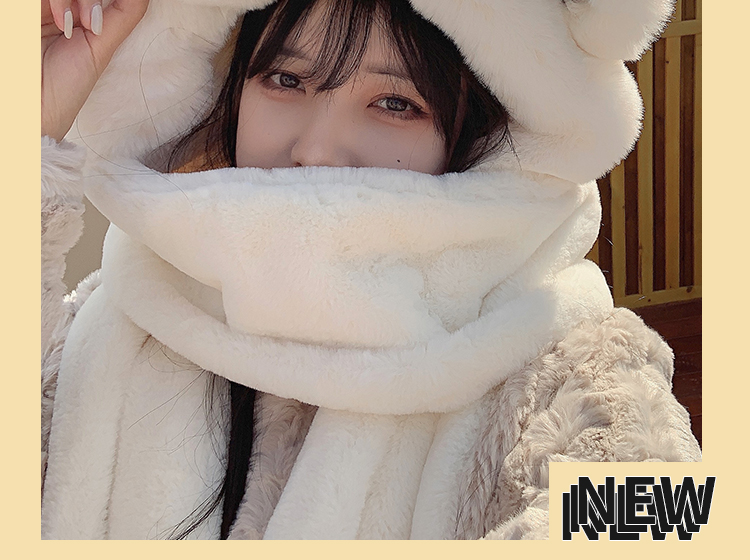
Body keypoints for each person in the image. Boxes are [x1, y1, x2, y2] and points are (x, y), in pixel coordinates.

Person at [41, 0, 701, 540]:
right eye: (286, 80)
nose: (317, 150)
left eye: (396, 103)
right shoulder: (131, 313)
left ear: (473, 136)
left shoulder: (568, 369)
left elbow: (662, 522)